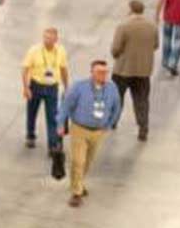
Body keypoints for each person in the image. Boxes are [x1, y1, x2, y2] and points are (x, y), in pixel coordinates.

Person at [59, 60, 125, 208]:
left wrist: (108, 125)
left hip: (98, 132)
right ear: (92, 73)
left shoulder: (112, 89)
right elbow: (66, 105)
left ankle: (79, 183)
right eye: (99, 72)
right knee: (78, 161)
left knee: (88, 161)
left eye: (105, 72)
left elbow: (117, 108)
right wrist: (60, 124)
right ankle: (76, 193)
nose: (103, 75)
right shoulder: (79, 87)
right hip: (79, 129)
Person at [109, 0, 159, 141]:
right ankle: (143, 128)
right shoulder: (152, 26)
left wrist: (117, 55)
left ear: (130, 9)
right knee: (142, 100)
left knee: (117, 97)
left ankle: (113, 121)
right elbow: (155, 45)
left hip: (123, 69)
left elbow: (116, 48)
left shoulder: (123, 26)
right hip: (143, 71)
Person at [23, 27, 69, 156]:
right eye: (45, 37)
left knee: (52, 116)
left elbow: (64, 69)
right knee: (32, 112)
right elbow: (25, 69)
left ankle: (52, 145)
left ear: (56, 39)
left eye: (50, 38)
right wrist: (26, 87)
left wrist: (67, 87)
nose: (47, 40)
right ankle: (30, 135)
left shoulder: (61, 51)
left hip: (52, 87)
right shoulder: (34, 50)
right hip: (36, 85)